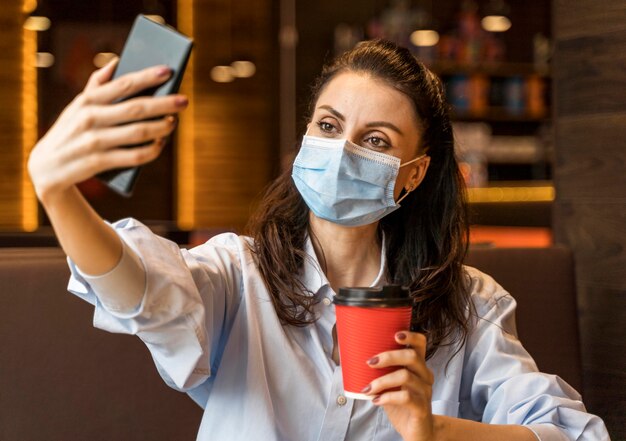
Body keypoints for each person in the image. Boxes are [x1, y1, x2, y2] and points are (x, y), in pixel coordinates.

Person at [28, 39, 609, 441]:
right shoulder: (238, 272)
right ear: (307, 135)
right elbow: (139, 290)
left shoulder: (470, 304)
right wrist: (58, 194)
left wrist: (436, 429)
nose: (341, 151)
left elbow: (573, 433)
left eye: (376, 140)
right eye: (329, 127)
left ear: (413, 172)